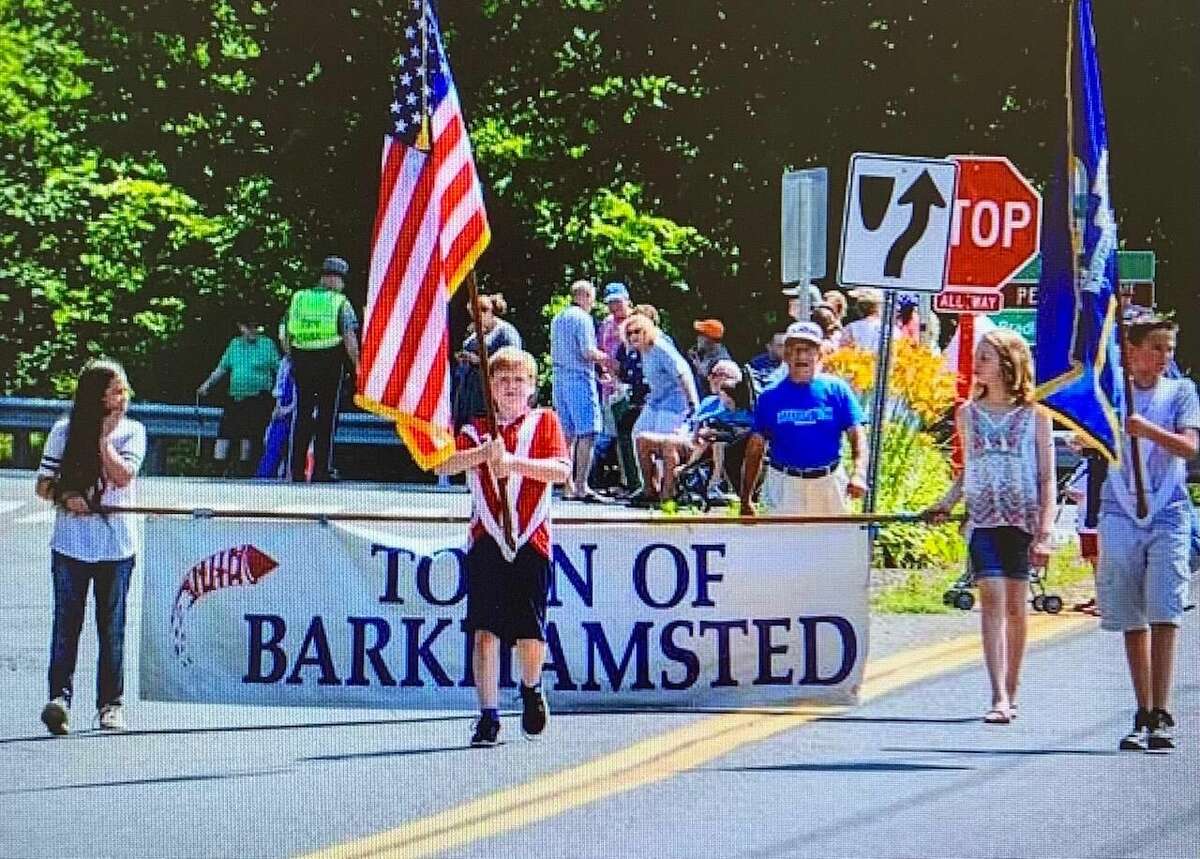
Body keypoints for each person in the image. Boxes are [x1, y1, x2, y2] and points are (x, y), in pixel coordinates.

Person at [434, 347, 570, 747]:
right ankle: (488, 714)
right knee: (485, 631)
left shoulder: (544, 422)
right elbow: (444, 464)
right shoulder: (476, 429)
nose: (511, 387)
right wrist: (482, 454)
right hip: (487, 538)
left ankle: (530, 686)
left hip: (532, 537)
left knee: (530, 630)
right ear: (491, 388)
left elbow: (561, 471)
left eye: (518, 380)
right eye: (502, 380)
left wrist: (513, 464)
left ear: (531, 386)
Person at [926, 329, 1055, 725]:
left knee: (1017, 607)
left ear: (1006, 364)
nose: (976, 364)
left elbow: (1046, 476)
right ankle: (997, 694)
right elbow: (970, 469)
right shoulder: (967, 414)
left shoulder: (1035, 416)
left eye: (984, 357)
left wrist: (1045, 530)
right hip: (983, 518)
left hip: (1022, 519)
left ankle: (1013, 690)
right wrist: (947, 502)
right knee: (992, 600)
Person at [1093, 312, 1197, 751]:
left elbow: (1190, 446)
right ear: (1132, 349)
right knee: (1131, 613)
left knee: (1164, 609)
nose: (1163, 356)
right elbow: (1090, 434)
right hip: (1119, 509)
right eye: (1155, 346)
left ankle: (1161, 709)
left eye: (1168, 348)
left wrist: (1147, 431)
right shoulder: (1111, 390)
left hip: (1167, 510)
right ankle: (1141, 707)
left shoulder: (1181, 392)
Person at [35, 359, 145, 735]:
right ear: (97, 395)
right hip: (71, 545)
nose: (123, 397)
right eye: (116, 391)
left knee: (111, 627)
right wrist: (66, 497)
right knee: (67, 623)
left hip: (115, 547)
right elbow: (43, 484)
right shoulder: (63, 432)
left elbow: (123, 475)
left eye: (124, 390)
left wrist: (101, 439)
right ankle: (59, 699)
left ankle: (110, 704)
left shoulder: (133, 433)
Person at [740, 322, 869, 516]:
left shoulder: (836, 390)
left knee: (834, 543)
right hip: (785, 485)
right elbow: (756, 447)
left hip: (829, 483)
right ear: (786, 355)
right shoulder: (770, 396)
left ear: (819, 354)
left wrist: (858, 473)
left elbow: (857, 435)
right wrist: (746, 498)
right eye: (794, 349)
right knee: (779, 543)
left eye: (807, 349)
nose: (801, 356)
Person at [285, 256, 360, 483]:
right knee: (327, 417)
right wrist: (358, 366)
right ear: (334, 279)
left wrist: (292, 358)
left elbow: (286, 334)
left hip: (301, 360)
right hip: (330, 362)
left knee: (302, 415)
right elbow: (349, 337)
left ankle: (296, 470)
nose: (343, 285)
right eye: (342, 280)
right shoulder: (340, 302)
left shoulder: (299, 298)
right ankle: (321, 470)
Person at [626, 313, 699, 505]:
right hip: (656, 400)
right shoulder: (642, 350)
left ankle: (669, 489)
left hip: (675, 400)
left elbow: (683, 372)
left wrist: (693, 404)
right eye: (629, 333)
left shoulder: (660, 346)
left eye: (637, 331)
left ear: (647, 331)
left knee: (661, 438)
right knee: (638, 433)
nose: (633, 336)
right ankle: (649, 486)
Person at [549, 279, 611, 502]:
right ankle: (582, 486)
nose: (593, 303)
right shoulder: (582, 318)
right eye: (592, 298)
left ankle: (567, 486)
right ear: (585, 296)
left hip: (559, 378)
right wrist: (608, 360)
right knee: (588, 432)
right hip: (578, 379)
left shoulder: (558, 317)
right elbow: (587, 351)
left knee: (566, 434)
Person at [197, 321, 281, 477]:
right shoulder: (235, 345)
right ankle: (218, 468)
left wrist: (281, 396)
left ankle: (244, 468)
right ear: (241, 328)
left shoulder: (267, 345)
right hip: (235, 396)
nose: (253, 331)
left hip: (257, 397)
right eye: (249, 327)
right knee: (225, 432)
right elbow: (222, 368)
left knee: (248, 434)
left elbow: (279, 370)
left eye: (256, 327)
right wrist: (207, 385)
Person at [453, 292, 522, 428]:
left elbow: (511, 362)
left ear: (487, 312)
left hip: (489, 393)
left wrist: (479, 361)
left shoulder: (505, 332)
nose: (474, 320)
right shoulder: (474, 333)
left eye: (478, 315)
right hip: (469, 391)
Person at [687, 318, 733, 394]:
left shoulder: (721, 364)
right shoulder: (706, 353)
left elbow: (716, 392)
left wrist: (699, 369)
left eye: (701, 334)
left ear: (709, 340)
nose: (698, 338)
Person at [842, 287, 894, 352]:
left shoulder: (851, 328)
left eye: (857, 303)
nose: (855, 307)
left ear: (864, 306)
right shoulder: (893, 329)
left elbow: (843, 352)